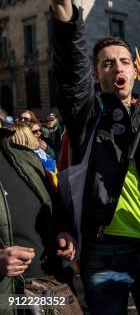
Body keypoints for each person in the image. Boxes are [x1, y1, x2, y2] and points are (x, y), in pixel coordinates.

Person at [43, 0, 140, 315]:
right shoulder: (86, 113)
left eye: (123, 61)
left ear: (134, 72)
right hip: (104, 251)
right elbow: (71, 67)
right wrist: (62, 2)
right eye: (106, 63)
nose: (116, 67)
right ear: (98, 75)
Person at [0, 126, 76, 314]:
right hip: (7, 298)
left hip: (51, 285)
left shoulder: (26, 156)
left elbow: (54, 205)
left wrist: (64, 231)